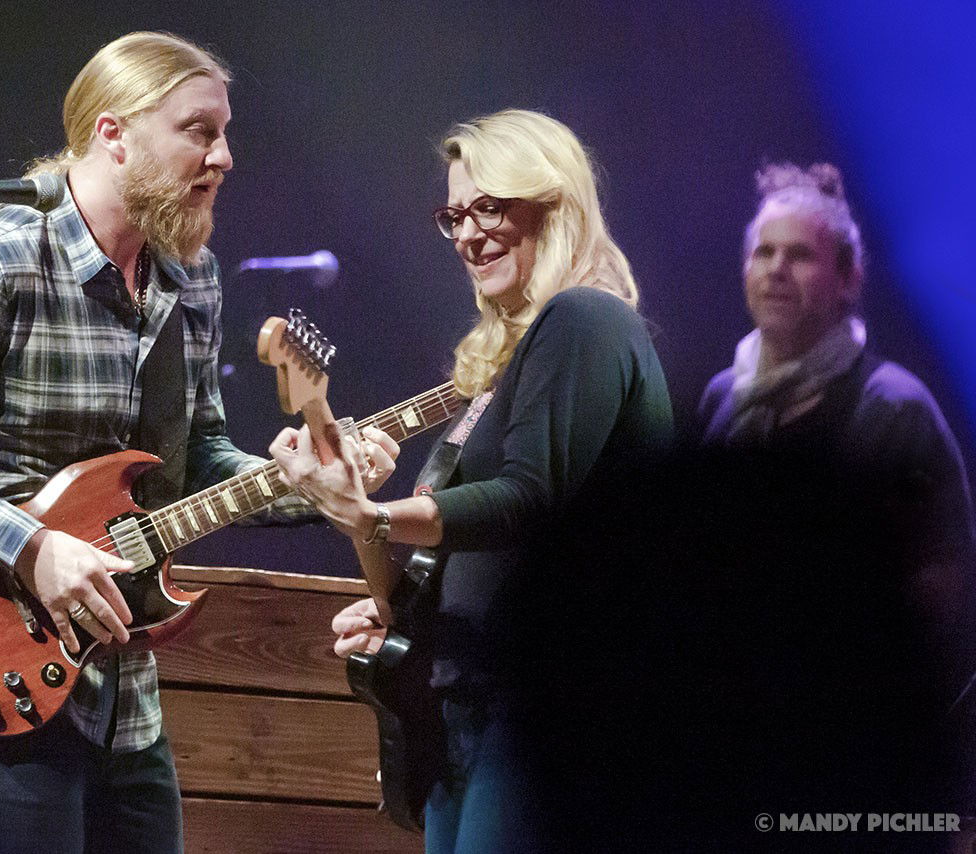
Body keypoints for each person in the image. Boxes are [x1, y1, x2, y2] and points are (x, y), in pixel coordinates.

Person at [0, 32, 394, 854]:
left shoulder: (190, 276)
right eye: (199, 131)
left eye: (225, 133)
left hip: (126, 699)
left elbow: (194, 458)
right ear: (113, 134)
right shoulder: (3, 257)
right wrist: (31, 548)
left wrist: (301, 482)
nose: (225, 157)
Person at [271, 109, 673, 852]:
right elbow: (432, 576)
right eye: (454, 216)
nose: (467, 234)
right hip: (472, 709)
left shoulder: (585, 319)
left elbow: (528, 499)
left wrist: (377, 516)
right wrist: (363, 527)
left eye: (489, 207)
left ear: (552, 204)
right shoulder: (502, 369)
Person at [694, 162, 976, 826]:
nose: (776, 270)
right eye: (763, 252)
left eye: (799, 255)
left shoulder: (892, 408)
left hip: (846, 748)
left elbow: (942, 584)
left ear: (848, 278)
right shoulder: (722, 398)